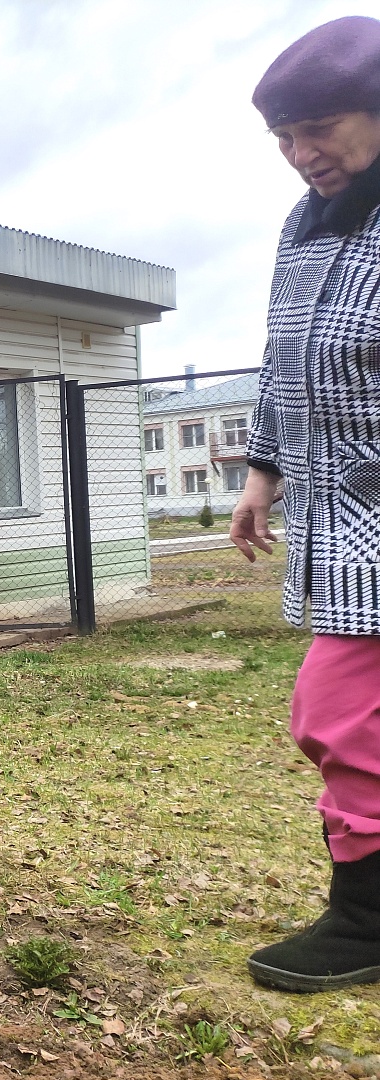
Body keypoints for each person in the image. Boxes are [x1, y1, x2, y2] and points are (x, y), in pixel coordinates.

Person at [233, 16, 380, 992]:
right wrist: (262, 470)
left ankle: (365, 919)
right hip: (336, 519)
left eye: (319, 128)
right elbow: (288, 365)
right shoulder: (307, 224)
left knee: (335, 708)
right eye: (284, 137)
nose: (300, 155)